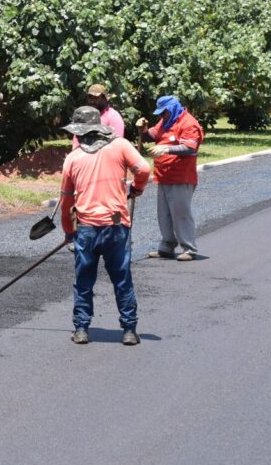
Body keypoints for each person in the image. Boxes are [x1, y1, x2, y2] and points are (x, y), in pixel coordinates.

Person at [60, 106, 150, 346]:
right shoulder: (120, 146)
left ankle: (81, 329)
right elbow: (143, 169)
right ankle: (129, 330)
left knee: (83, 281)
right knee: (122, 279)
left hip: (86, 230)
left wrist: (69, 233)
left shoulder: (73, 158)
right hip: (116, 227)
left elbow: (67, 201)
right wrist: (136, 189)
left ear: (80, 133)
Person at [137, 95, 203, 262]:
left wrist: (166, 149)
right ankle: (167, 246)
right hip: (163, 176)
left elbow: (190, 148)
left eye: (164, 112)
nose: (161, 116)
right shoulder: (166, 122)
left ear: (173, 108)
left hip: (181, 177)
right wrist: (143, 130)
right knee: (164, 214)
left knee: (181, 214)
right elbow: (151, 135)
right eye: (160, 113)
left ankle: (189, 248)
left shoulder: (189, 123)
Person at [71, 83, 126, 151]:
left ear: (105, 99)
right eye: (90, 97)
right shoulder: (85, 116)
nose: (92, 101)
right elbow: (76, 142)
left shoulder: (113, 117)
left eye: (96, 98)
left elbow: (117, 145)